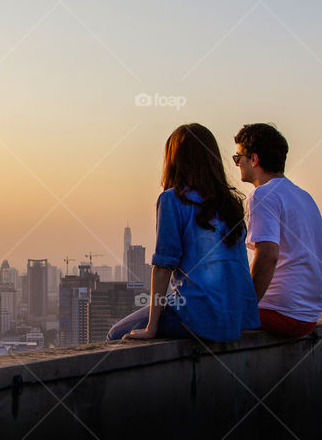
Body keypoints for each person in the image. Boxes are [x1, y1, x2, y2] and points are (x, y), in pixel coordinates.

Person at [108, 124, 259, 342]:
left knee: (115, 334)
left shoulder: (173, 199)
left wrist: (151, 326)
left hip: (199, 314)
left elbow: (163, 266)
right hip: (237, 316)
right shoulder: (230, 203)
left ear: (174, 160)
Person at [234, 123, 322, 337]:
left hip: (280, 314)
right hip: (308, 316)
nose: (237, 163)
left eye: (238, 157)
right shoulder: (304, 197)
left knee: (187, 311)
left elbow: (267, 256)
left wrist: (243, 311)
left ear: (254, 159)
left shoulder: (263, 195)